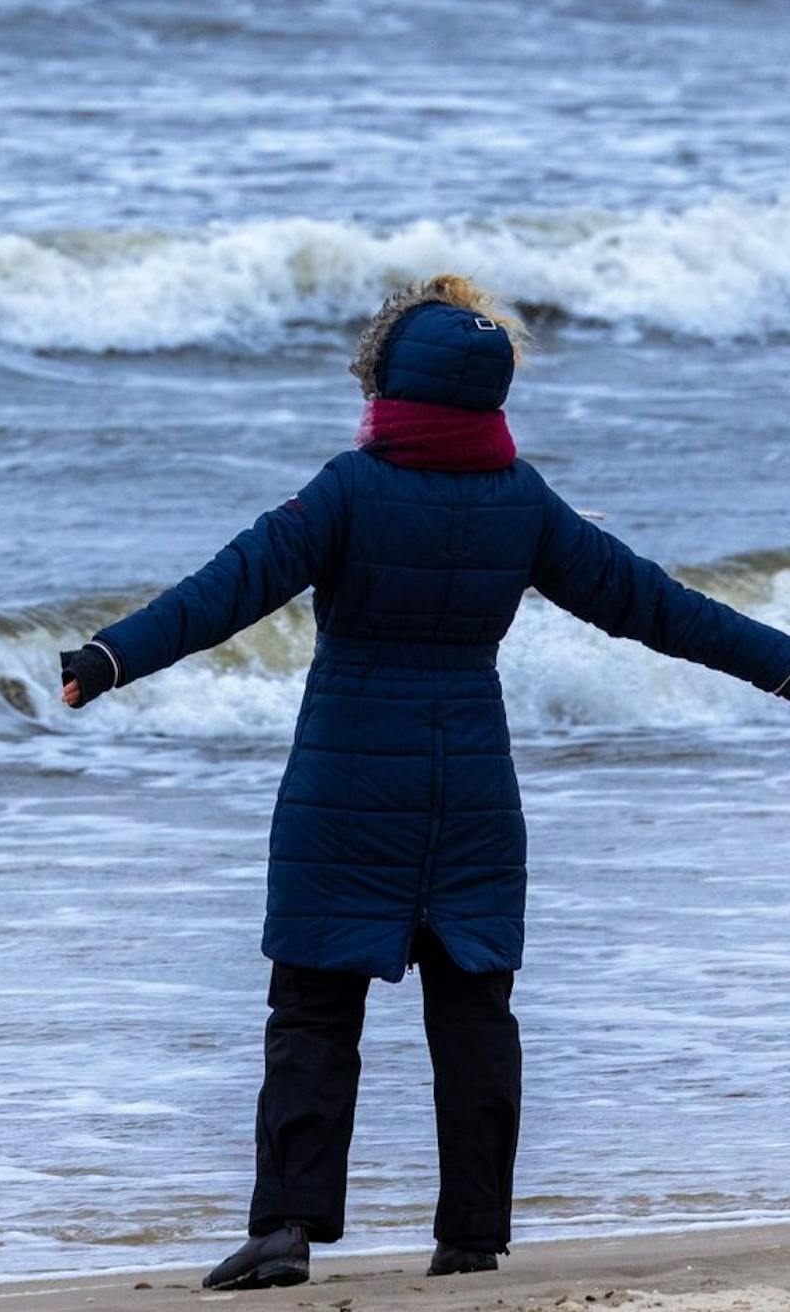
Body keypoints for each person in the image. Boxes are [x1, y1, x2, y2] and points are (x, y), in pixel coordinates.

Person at [58, 275, 790, 1290]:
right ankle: (472, 1236)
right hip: (470, 788)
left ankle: (284, 1229)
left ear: (388, 380)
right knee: (475, 1008)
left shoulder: (347, 489)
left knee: (312, 1007)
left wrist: (107, 656)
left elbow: (224, 588)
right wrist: (779, 661)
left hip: (344, 779)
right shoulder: (520, 500)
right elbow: (651, 605)